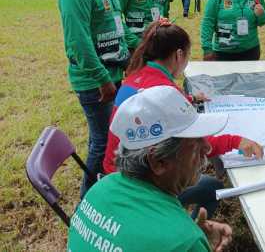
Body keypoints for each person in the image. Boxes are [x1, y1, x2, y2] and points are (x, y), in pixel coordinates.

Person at [103, 19, 264, 217]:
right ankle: (194, 227)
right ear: (179, 55)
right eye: (187, 56)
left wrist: (188, 99)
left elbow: (154, 108)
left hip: (116, 176)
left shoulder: (135, 77)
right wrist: (236, 141)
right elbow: (195, 143)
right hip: (142, 189)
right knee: (211, 187)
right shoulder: (164, 87)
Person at [67, 85, 234, 252]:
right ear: (158, 161)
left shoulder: (101, 188)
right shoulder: (183, 241)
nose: (207, 148)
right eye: (195, 142)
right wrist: (192, 244)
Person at [58, 0, 139, 197]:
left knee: (103, 137)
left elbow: (119, 28)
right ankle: (88, 201)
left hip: (113, 74)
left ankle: (101, 192)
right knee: (103, 143)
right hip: (96, 82)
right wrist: (102, 79)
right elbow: (78, 43)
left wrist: (144, 44)